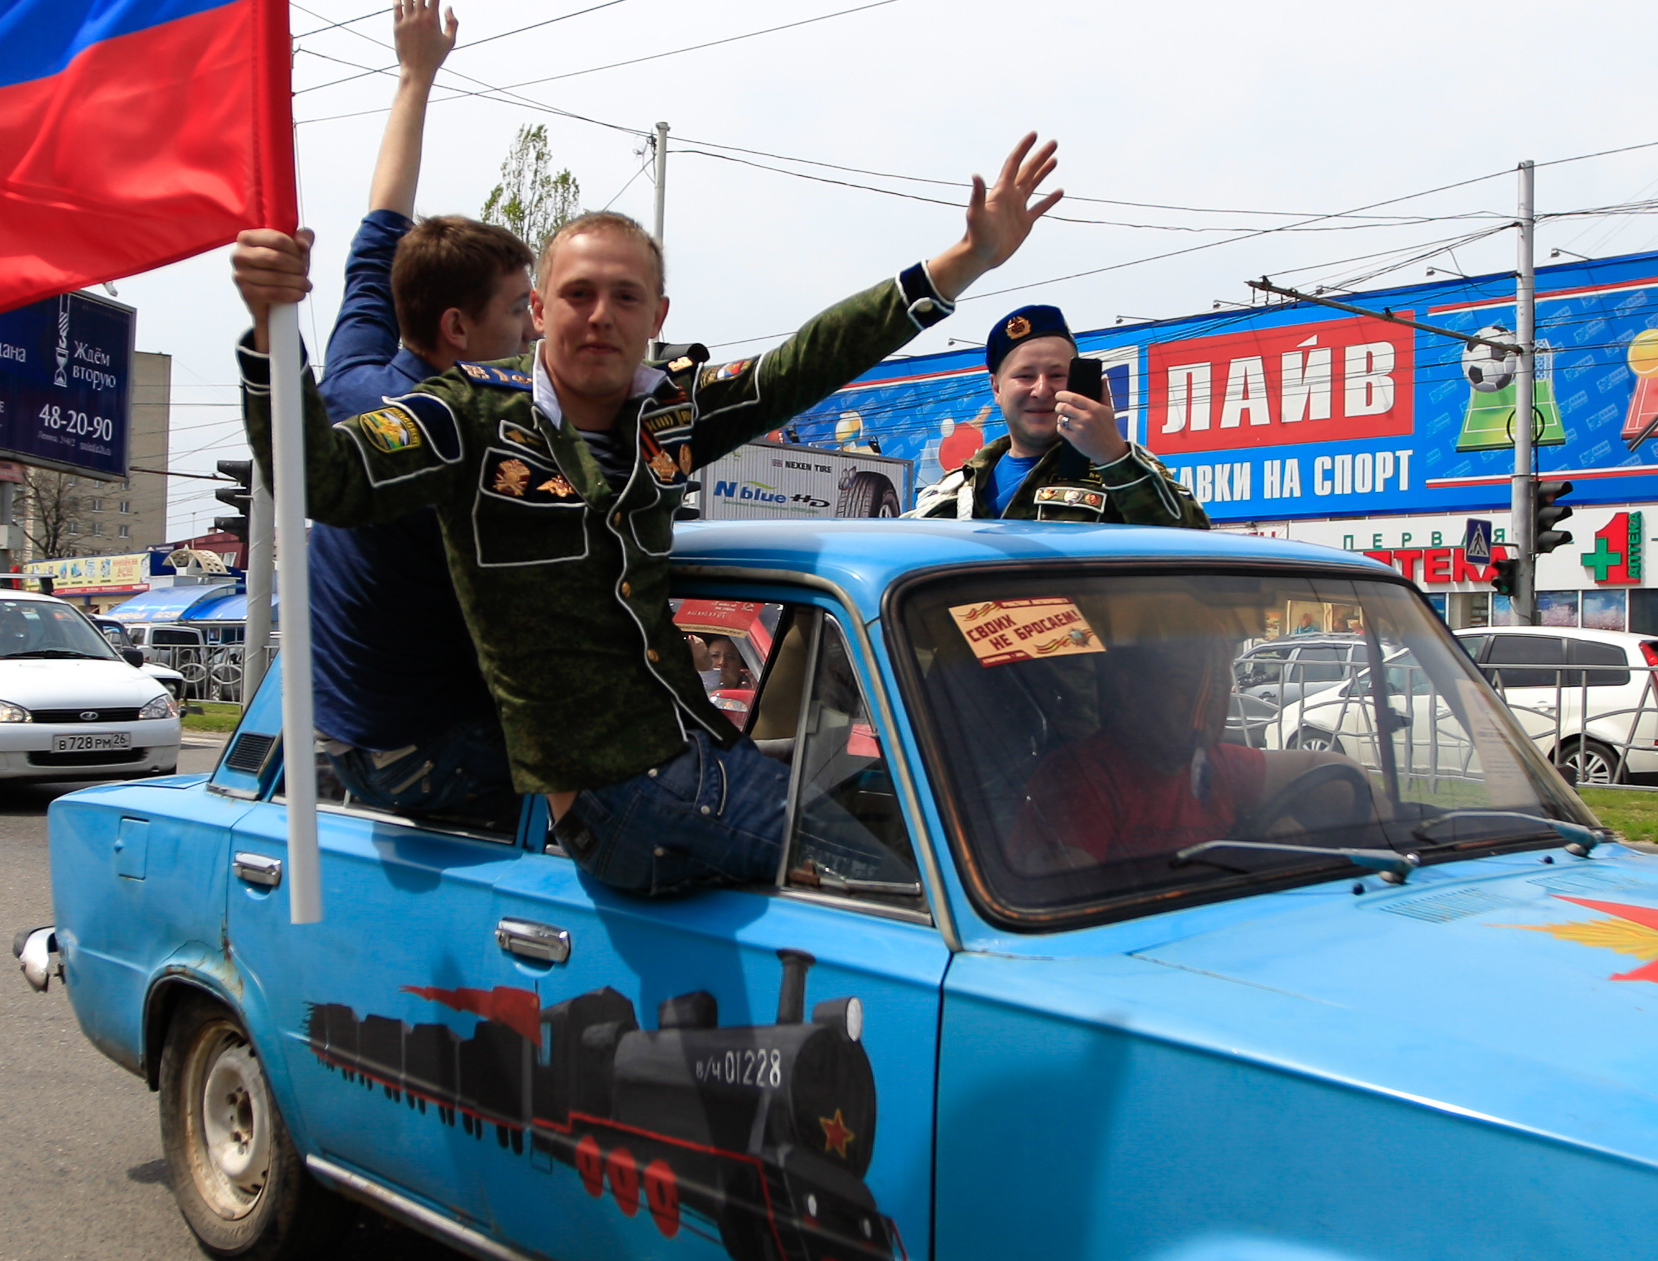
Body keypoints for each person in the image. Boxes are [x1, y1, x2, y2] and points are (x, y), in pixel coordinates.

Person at [236, 137, 1064, 896]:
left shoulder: (670, 413)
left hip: (695, 747)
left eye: (625, 297)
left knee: (970, 805)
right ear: (540, 312)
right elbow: (324, 482)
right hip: (615, 793)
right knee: (921, 879)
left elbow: (800, 365)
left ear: (657, 317)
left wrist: (964, 262)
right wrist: (270, 337)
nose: (601, 315)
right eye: (578, 294)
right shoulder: (468, 419)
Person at [261, 0, 535, 818]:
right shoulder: (452, 452)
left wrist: (414, 77)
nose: (532, 328)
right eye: (521, 310)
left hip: (348, 738)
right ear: (457, 330)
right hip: (425, 757)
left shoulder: (353, 374)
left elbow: (383, 220)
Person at [1015, 600, 1351, 871]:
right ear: (1131, 688)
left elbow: (1334, 772)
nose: (1207, 701)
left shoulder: (1217, 766)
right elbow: (1076, 908)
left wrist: (1265, 838)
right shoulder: (1081, 780)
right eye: (1186, 683)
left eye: (1218, 683)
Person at [914, 305, 1209, 526]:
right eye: (1025, 376)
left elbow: (1192, 547)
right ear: (996, 388)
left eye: (1057, 375)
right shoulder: (956, 488)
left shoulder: (1123, 469)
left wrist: (1113, 456)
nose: (1042, 390)